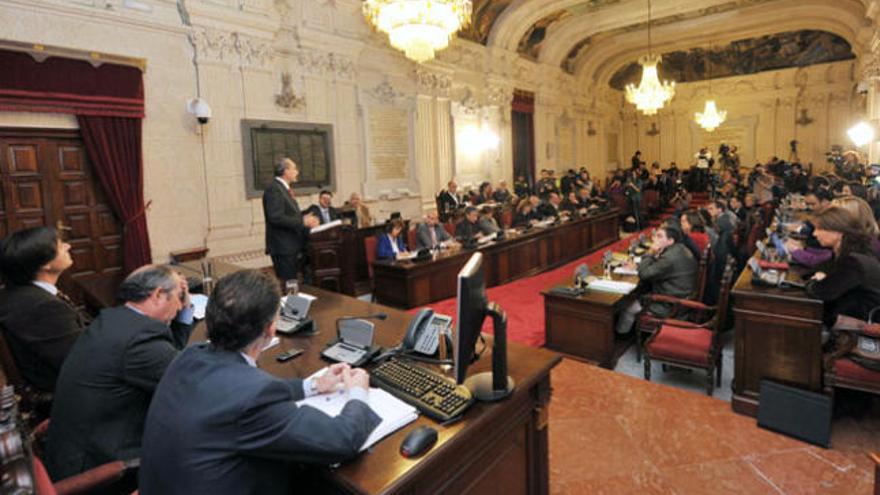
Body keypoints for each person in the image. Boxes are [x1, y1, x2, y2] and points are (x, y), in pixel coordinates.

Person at [139, 270, 380, 494]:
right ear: (271, 330)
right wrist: (357, 393)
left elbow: (245, 392)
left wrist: (313, 386)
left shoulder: (188, 356)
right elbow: (341, 439)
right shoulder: (253, 396)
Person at [46, 264, 195, 482]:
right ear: (158, 295)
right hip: (103, 468)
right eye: (179, 296)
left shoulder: (113, 320)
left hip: (73, 453)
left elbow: (169, 359)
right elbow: (190, 384)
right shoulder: (140, 340)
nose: (181, 303)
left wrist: (183, 313)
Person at [0, 227, 88, 393]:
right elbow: (82, 362)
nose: (68, 246)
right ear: (46, 264)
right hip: (67, 393)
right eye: (61, 245)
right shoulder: (43, 307)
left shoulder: (15, 292)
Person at [805, 206, 880, 326]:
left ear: (838, 232)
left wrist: (813, 281)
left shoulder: (853, 262)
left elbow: (821, 291)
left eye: (819, 229)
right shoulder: (851, 252)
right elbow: (822, 269)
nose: (814, 234)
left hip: (859, 329)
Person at [616, 226, 697, 334]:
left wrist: (650, 252)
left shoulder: (669, 259)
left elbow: (644, 274)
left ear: (670, 241)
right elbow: (659, 266)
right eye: (655, 235)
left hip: (671, 304)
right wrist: (639, 265)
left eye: (659, 236)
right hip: (683, 295)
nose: (654, 239)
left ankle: (621, 336)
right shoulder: (680, 248)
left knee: (628, 306)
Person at [263, 158, 320, 282]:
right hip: (283, 248)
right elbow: (275, 217)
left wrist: (303, 218)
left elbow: (287, 214)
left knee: (292, 283)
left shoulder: (283, 188)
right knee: (289, 284)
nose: (297, 172)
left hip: (290, 246)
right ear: (285, 171)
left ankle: (293, 301)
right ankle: (291, 302)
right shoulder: (274, 189)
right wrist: (302, 221)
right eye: (294, 168)